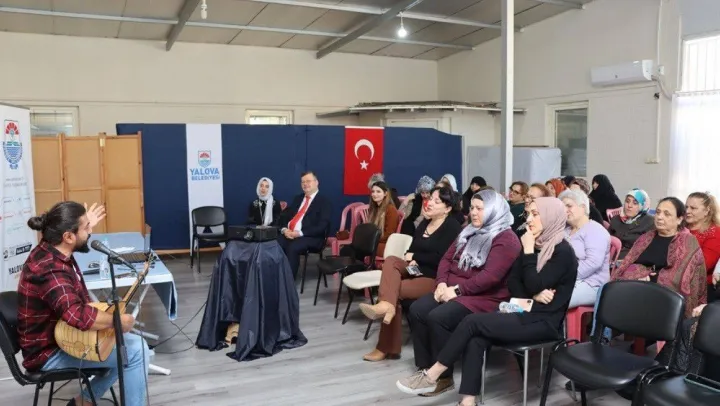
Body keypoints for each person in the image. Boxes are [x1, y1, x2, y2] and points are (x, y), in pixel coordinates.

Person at [396, 198, 578, 405]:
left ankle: (432, 374)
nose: (529, 219)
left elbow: (533, 282)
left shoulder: (562, 252)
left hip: (543, 322)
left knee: (472, 322)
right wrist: (534, 293)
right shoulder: (536, 244)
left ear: (550, 217)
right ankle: (467, 401)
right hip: (521, 309)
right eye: (529, 214)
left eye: (535, 215)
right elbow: (514, 283)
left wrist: (528, 256)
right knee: (476, 338)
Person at [17, 201, 150, 406]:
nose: (90, 232)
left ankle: (83, 402)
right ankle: (86, 401)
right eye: (86, 228)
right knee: (135, 350)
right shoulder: (50, 269)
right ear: (68, 237)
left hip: (60, 338)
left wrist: (82, 225)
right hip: (48, 354)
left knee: (126, 347)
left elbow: (74, 312)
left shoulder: (52, 249)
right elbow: (76, 314)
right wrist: (117, 321)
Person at [406, 189, 521, 397]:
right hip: (452, 289)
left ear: (494, 210)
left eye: (480, 208)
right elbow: (446, 259)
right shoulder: (468, 231)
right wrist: (441, 283)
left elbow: (490, 277)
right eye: (472, 208)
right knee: (417, 310)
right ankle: (425, 369)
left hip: (483, 297)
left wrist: (457, 290)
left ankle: (443, 378)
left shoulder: (506, 239)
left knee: (438, 317)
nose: (473, 212)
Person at [358, 186, 462, 362]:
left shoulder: (452, 227)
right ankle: (386, 306)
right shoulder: (424, 223)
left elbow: (441, 259)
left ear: (447, 208)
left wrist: (415, 257)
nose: (430, 203)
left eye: (437, 201)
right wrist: (411, 257)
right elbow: (411, 250)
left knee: (393, 291)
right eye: (431, 199)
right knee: (391, 260)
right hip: (415, 268)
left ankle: (384, 347)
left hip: (432, 276)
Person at [559, 189, 611, 307]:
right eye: (562, 207)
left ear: (583, 208)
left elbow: (593, 263)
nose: (565, 210)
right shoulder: (565, 230)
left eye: (569, 206)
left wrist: (563, 276)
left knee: (554, 299)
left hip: (591, 284)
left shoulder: (595, 230)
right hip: (568, 279)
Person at [278, 171, 332, 278]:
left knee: (293, 246)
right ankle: (276, 276)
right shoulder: (298, 198)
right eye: (303, 182)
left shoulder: (324, 202)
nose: (305, 184)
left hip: (312, 237)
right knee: (276, 243)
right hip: (291, 233)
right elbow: (284, 217)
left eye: (308, 181)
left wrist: (299, 233)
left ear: (316, 182)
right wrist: (284, 230)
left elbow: (322, 227)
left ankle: (288, 280)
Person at [685, 192, 720, 303]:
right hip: (675, 277)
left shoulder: (715, 232)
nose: (687, 211)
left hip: (702, 286)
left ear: (706, 211)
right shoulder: (681, 227)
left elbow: (703, 265)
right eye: (686, 207)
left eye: (693, 208)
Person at [608, 189, 655, 259]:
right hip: (611, 258)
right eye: (627, 201)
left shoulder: (649, 222)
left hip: (634, 260)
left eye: (635, 203)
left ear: (642, 205)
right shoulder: (615, 219)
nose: (629, 205)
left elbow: (650, 249)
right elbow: (606, 240)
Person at [367, 181, 400, 257]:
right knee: (349, 248)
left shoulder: (391, 209)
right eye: (373, 191)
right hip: (375, 242)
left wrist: (372, 239)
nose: (375, 194)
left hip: (385, 244)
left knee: (360, 247)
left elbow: (389, 235)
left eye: (378, 191)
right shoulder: (374, 209)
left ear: (385, 193)